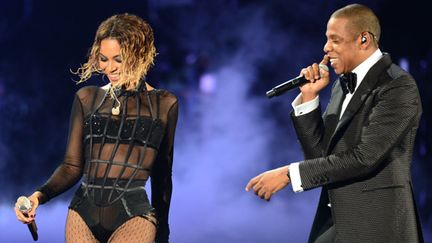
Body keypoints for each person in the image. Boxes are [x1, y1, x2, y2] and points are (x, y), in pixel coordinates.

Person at [246, 4, 424, 243]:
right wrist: (309, 98)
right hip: (336, 222)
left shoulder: (398, 86)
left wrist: (289, 174)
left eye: (334, 40)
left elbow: (364, 158)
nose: (326, 48)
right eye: (326, 40)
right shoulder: (341, 86)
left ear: (364, 39)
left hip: (377, 226)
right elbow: (320, 156)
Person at [14, 13, 178, 243]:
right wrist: (37, 197)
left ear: (140, 55)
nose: (109, 68)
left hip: (135, 217)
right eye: (103, 58)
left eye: (118, 59)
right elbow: (71, 166)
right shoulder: (86, 98)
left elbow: (162, 175)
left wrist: (163, 233)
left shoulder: (165, 104)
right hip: (82, 215)